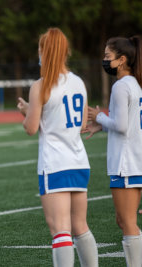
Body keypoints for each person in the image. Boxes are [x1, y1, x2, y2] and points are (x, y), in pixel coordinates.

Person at [17, 28, 98, 267]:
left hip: (55, 164)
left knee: (60, 230)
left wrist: (27, 112)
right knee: (80, 227)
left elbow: (31, 128)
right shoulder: (78, 82)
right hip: (79, 161)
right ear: (66, 52)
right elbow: (82, 123)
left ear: (44, 51)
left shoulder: (40, 86)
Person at [86, 36, 142, 267]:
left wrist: (97, 116)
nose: (105, 60)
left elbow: (120, 125)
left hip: (126, 163)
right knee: (123, 220)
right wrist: (103, 123)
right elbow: (125, 123)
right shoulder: (135, 84)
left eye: (108, 57)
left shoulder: (121, 85)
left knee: (127, 221)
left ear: (122, 60)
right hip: (133, 159)